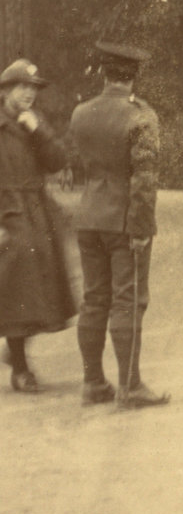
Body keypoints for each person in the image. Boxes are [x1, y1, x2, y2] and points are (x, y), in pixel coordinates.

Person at [68, 42, 168, 407]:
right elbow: (144, 181)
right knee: (128, 300)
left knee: (94, 299)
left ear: (104, 73)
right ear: (133, 76)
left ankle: (93, 383)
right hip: (124, 221)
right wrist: (141, 230)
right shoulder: (141, 116)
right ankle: (130, 387)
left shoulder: (81, 113)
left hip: (89, 216)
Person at [0, 59, 76, 392]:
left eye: (33, 88)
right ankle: (20, 367)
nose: (29, 94)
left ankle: (13, 350)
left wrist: (38, 130)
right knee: (19, 286)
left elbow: (58, 161)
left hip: (36, 210)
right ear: (6, 90)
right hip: (7, 211)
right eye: (23, 87)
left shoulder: (34, 122)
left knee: (43, 288)